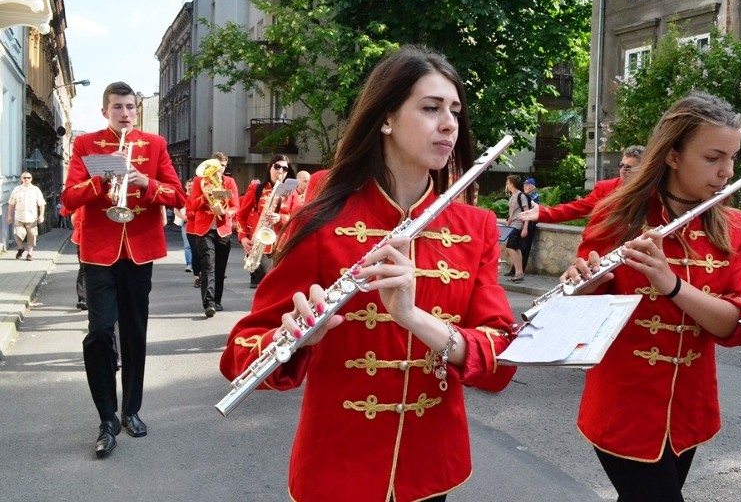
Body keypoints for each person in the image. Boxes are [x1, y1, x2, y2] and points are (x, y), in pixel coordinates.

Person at [220, 45, 517, 502]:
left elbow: (500, 360)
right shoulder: (323, 218)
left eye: (455, 110)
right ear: (386, 118)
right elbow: (241, 349)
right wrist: (295, 338)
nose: (449, 124)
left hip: (430, 463)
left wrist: (416, 318)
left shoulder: (474, 227)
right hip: (338, 463)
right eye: (431, 108)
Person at [560, 91, 741, 501]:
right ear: (673, 155)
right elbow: (580, 321)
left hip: (689, 410)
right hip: (624, 408)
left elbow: (736, 326)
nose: (725, 172)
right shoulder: (617, 215)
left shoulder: (734, 226)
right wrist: (583, 284)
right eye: (713, 157)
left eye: (732, 158)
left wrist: (673, 286)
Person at [61, 81, 185, 459]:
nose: (126, 113)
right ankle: (106, 417)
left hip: (139, 250)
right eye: (118, 107)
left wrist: (147, 183)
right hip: (99, 252)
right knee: (99, 333)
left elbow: (178, 196)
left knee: (134, 332)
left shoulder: (154, 145)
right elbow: (67, 200)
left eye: (131, 107)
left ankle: (130, 409)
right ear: (105, 112)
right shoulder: (86, 145)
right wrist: (101, 181)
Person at [517, 145, 645, 224]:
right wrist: (544, 213)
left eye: (628, 167)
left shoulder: (653, 191)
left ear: (642, 169)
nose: (622, 170)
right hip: (600, 255)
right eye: (621, 165)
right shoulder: (605, 188)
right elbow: (578, 208)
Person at [187, 152, 239, 318]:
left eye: (223, 166)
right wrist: (204, 196)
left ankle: (217, 300)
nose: (220, 169)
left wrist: (225, 212)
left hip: (223, 228)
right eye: (217, 165)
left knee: (220, 267)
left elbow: (236, 206)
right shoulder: (198, 181)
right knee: (208, 265)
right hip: (204, 229)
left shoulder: (229, 182)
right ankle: (208, 303)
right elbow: (192, 205)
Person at [236, 155, 294, 288]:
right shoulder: (256, 189)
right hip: (261, 244)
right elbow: (241, 216)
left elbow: (296, 216)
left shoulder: (290, 190)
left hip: (282, 244)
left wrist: (280, 218)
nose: (280, 171)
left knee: (280, 286)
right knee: (267, 283)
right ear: (270, 167)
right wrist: (243, 238)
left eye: (285, 168)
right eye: (277, 166)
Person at [7, 172, 46, 260]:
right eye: (24, 178)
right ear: (21, 179)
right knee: (17, 234)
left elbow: (41, 203)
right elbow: (11, 203)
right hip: (19, 216)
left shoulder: (36, 190)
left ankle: (30, 254)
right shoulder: (17, 189)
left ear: (31, 179)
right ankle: (20, 248)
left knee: (31, 235)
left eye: (28, 178)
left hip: (31, 217)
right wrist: (9, 215)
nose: (26, 179)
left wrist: (41, 215)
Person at [503, 174, 530, 283]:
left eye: (508, 183)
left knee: (510, 247)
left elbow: (527, 212)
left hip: (518, 225)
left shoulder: (521, 196)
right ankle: (519, 272)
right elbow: (511, 213)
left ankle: (518, 272)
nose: (507, 185)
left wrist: (525, 228)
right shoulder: (513, 196)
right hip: (513, 225)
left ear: (512, 184)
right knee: (517, 248)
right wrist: (508, 223)